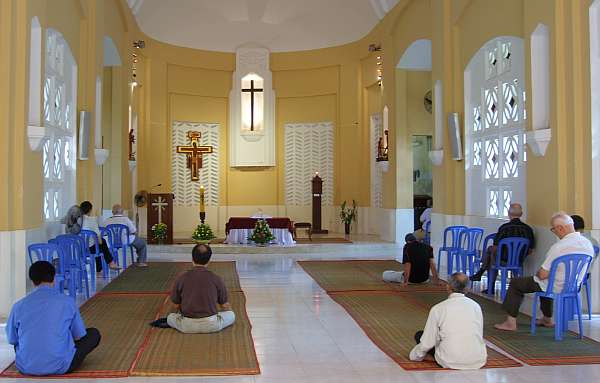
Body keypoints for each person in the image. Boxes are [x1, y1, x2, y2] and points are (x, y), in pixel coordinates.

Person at [494, 212, 595, 331]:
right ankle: (547, 319)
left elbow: (542, 275)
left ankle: (510, 322)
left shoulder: (559, 247)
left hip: (555, 285)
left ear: (560, 228)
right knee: (546, 282)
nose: (554, 232)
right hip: (573, 286)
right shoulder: (588, 244)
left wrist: (538, 273)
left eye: (553, 229)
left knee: (518, 283)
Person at [5, 261, 101, 375]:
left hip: (26, 367)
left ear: (32, 281)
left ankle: (33, 358)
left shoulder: (18, 306)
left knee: (21, 342)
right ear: (54, 278)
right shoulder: (67, 302)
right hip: (61, 365)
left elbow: (12, 340)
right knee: (94, 334)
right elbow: (79, 335)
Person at [409, 272, 487, 369]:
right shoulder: (476, 306)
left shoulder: (438, 308)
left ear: (448, 287)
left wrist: (415, 355)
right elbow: (478, 333)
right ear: (467, 288)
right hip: (477, 359)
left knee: (420, 335)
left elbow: (428, 342)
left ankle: (434, 358)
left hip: (450, 360)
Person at [166, 244, 236, 333]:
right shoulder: (216, 278)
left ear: (192, 259)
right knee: (231, 315)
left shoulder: (182, 278)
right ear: (209, 260)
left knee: (170, 318)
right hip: (211, 325)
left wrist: (172, 315)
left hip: (187, 325)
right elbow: (224, 305)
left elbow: (175, 305)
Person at [469, 203, 535, 291]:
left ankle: (485, 279)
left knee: (491, 254)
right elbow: (530, 250)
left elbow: (496, 245)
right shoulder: (528, 229)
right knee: (492, 255)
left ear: (509, 213)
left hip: (503, 260)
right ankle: (480, 273)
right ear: (521, 214)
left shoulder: (504, 228)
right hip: (519, 260)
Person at [80, 201, 119, 272]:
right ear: (90, 210)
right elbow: (98, 237)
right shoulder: (92, 220)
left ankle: (101, 268)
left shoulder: (77, 221)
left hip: (79, 248)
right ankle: (110, 263)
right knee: (101, 242)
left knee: (97, 244)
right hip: (90, 249)